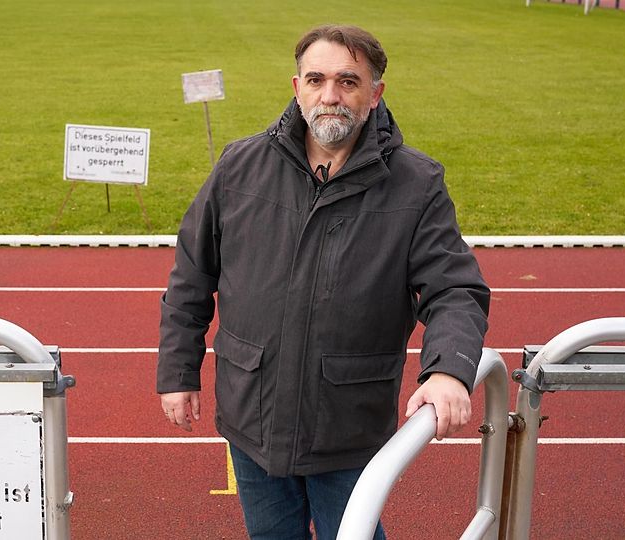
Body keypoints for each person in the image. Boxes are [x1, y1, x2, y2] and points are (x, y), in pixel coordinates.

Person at [157, 24, 490, 540]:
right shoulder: (238, 166)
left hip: (346, 427)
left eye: (348, 82)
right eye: (316, 80)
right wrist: (178, 372)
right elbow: (191, 275)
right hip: (252, 419)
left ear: (375, 94)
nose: (329, 96)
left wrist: (448, 370)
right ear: (296, 87)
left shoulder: (417, 184)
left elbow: (454, 290)